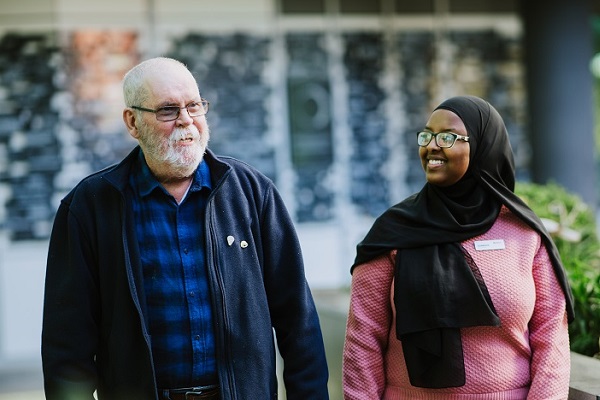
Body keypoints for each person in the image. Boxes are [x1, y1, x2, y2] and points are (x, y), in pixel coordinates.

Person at [41, 57, 329, 400]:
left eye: (194, 106)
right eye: (167, 110)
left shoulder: (253, 194)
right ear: (133, 122)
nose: (187, 121)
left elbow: (298, 321)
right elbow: (66, 345)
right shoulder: (89, 207)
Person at [342, 95, 574, 399]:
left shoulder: (524, 233)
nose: (432, 145)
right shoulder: (394, 231)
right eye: (427, 135)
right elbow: (363, 341)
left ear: (483, 146)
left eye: (448, 137)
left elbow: (551, 338)